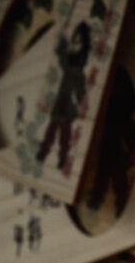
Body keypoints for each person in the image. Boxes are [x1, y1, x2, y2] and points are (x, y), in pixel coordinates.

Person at [34, 19, 95, 178]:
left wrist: (81, 101)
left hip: (68, 105)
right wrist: (62, 41)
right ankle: (43, 151)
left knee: (64, 135)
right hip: (61, 100)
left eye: (79, 40)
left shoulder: (78, 72)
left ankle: (61, 158)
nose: (76, 43)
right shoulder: (69, 65)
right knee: (52, 130)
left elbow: (81, 92)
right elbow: (62, 56)